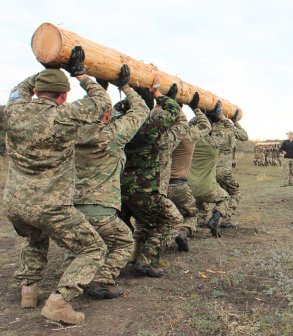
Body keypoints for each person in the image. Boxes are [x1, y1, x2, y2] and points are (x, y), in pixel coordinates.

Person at [4, 46, 109, 324]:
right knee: (93, 249)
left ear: (36, 92)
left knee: (36, 238)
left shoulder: (13, 111)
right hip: (51, 206)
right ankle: (60, 302)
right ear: (64, 96)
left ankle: (28, 291)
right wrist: (80, 74)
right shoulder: (66, 114)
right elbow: (101, 100)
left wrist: (46, 67)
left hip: (15, 204)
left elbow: (18, 89)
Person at [73, 64, 149, 299]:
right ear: (107, 115)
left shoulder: (72, 131)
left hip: (72, 206)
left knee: (81, 245)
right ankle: (101, 280)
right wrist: (125, 86)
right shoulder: (112, 135)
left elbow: (91, 108)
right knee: (124, 241)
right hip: (101, 208)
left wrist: (89, 82)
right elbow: (141, 109)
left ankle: (73, 282)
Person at [120, 77, 186, 278]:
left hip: (122, 189)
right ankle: (147, 260)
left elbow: (117, 107)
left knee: (144, 222)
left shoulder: (121, 125)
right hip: (146, 189)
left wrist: (125, 89)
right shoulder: (150, 127)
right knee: (172, 220)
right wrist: (161, 96)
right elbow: (176, 114)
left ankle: (134, 256)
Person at [169, 93, 212, 252]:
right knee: (192, 214)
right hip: (180, 185)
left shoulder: (165, 131)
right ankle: (183, 231)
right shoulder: (189, 134)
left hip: (160, 185)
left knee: (167, 215)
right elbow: (206, 126)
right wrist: (195, 108)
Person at [188, 101, 231, 238]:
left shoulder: (190, 140)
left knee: (191, 212)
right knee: (225, 198)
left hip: (190, 188)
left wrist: (198, 111)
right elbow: (229, 129)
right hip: (208, 188)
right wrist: (220, 116)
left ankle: (185, 231)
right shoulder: (214, 143)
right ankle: (214, 220)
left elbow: (189, 125)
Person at [216, 109, 248, 223]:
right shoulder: (229, 127)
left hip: (209, 170)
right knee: (235, 193)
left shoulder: (211, 127)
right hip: (224, 169)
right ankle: (225, 218)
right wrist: (235, 122)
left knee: (212, 193)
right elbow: (244, 136)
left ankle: (202, 217)